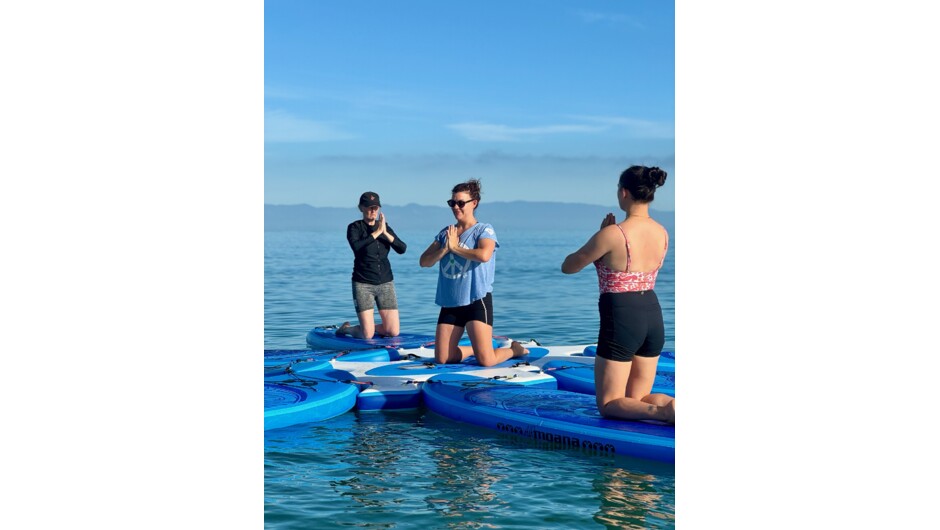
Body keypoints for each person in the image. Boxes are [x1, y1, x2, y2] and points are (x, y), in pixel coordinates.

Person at [561, 166, 675, 424]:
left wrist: (600, 237)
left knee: (610, 403)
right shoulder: (662, 232)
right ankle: (671, 406)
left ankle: (664, 412)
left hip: (623, 317)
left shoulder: (613, 234)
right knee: (639, 397)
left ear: (624, 193)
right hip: (653, 315)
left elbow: (568, 266)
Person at [419, 178, 528, 366]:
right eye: (452, 203)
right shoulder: (447, 233)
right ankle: (474, 349)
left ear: (474, 203)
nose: (456, 207)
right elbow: (424, 261)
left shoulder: (484, 230)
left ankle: (513, 350)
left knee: (486, 361)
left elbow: (484, 254)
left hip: (476, 300)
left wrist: (455, 248)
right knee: (443, 358)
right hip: (451, 302)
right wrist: (445, 249)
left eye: (461, 203)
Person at [336, 191, 406, 339]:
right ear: (361, 208)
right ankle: (346, 329)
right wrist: (376, 233)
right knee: (367, 335)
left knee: (393, 331)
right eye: (369, 207)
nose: (373, 210)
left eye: (375, 207)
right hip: (363, 284)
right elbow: (357, 247)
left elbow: (402, 249)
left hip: (386, 283)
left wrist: (385, 233)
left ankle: (368, 327)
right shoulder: (354, 227)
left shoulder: (384, 227)